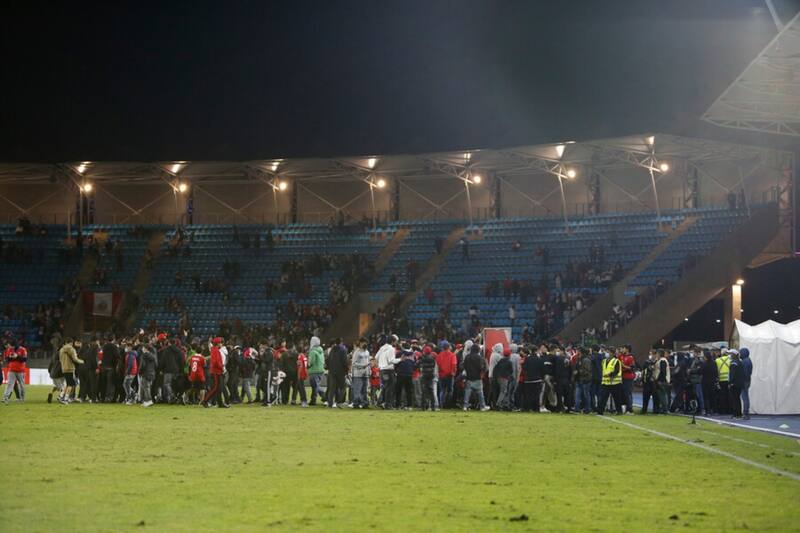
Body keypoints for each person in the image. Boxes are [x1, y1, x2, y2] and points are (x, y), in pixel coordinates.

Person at [462, 343, 490, 411]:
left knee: (467, 393)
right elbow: (481, 367)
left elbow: (464, 366)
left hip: (469, 377)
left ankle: (465, 406)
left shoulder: (467, 357)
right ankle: (482, 406)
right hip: (477, 377)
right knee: (480, 393)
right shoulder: (479, 358)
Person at [376, 335, 401, 409]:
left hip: (382, 370)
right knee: (389, 388)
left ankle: (381, 402)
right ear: (393, 341)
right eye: (396, 341)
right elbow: (391, 360)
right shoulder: (391, 349)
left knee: (384, 387)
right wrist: (400, 359)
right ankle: (388, 405)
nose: (396, 343)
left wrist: (381, 363)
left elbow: (376, 357)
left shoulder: (382, 347)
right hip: (389, 370)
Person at [203, 337, 228, 408]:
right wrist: (222, 367)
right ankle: (205, 401)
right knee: (215, 388)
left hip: (216, 371)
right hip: (216, 372)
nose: (221, 344)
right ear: (218, 343)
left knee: (218, 388)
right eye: (220, 343)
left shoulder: (214, 350)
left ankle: (220, 403)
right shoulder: (216, 350)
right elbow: (216, 362)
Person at [58, 338, 84, 405]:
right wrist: (82, 361)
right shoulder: (71, 349)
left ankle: (61, 396)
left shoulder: (61, 349)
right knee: (71, 384)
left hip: (64, 368)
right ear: (71, 343)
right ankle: (65, 399)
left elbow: (60, 360)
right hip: (70, 368)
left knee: (67, 383)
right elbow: (75, 359)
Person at [599, 350, 623, 415]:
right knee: (603, 397)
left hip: (615, 383)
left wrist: (609, 375)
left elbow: (617, 371)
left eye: (608, 352)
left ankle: (619, 411)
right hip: (606, 383)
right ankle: (600, 411)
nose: (607, 353)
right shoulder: (604, 361)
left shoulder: (616, 361)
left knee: (617, 398)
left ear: (612, 353)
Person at [326, 339, 349, 408]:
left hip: (332, 371)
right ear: (341, 342)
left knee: (332, 388)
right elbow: (344, 361)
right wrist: (346, 371)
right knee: (343, 386)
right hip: (340, 372)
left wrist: (329, 368)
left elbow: (328, 360)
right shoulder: (343, 350)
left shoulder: (332, 350)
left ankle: (330, 403)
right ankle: (339, 401)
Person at [436, 342, 457, 408]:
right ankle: (448, 404)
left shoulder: (439, 355)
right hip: (450, 375)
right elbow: (454, 365)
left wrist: (439, 372)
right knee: (450, 390)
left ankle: (441, 404)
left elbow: (437, 365)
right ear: (449, 347)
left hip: (442, 375)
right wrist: (453, 372)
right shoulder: (452, 355)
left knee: (442, 390)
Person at [350, 339, 370, 409]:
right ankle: (356, 404)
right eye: (364, 342)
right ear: (360, 343)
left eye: (366, 343)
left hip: (365, 374)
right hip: (358, 374)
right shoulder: (357, 352)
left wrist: (369, 371)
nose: (365, 344)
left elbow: (368, 362)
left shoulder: (367, 352)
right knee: (357, 390)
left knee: (364, 390)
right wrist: (362, 365)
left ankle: (365, 403)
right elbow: (353, 363)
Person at [307, 336, 325, 406]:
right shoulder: (321, 350)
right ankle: (313, 400)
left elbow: (311, 362)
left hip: (314, 370)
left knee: (315, 386)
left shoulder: (313, 351)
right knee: (316, 386)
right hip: (320, 370)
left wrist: (307, 366)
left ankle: (324, 395)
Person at [418, 345, 437, 410]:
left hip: (424, 375)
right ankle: (433, 407)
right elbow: (434, 366)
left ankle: (423, 407)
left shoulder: (422, 358)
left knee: (424, 391)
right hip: (431, 375)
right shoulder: (432, 359)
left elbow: (417, 365)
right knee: (431, 391)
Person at [574, 348, 593, 414]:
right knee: (578, 395)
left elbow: (587, 371)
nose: (576, 352)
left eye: (578, 351)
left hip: (585, 380)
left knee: (586, 395)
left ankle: (587, 409)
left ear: (581, 352)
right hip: (579, 380)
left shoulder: (586, 360)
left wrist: (578, 372)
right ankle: (577, 408)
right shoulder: (579, 359)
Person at [687, 348, 706, 415]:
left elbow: (699, 370)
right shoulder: (693, 360)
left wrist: (691, 371)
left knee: (699, 395)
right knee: (696, 395)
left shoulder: (700, 361)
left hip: (698, 380)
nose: (693, 354)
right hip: (694, 380)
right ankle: (698, 409)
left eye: (694, 352)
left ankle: (702, 409)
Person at [618, 345, 636, 414]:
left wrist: (624, 366)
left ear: (627, 349)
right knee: (623, 393)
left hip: (628, 378)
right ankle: (624, 408)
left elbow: (632, 368)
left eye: (624, 348)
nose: (622, 349)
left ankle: (630, 409)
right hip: (621, 377)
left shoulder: (630, 357)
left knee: (628, 393)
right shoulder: (621, 356)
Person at [653, 349, 670, 414]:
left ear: (659, 354)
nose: (656, 355)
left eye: (657, 353)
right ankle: (662, 409)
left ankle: (665, 410)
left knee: (662, 395)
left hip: (662, 381)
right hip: (661, 380)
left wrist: (660, 380)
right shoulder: (660, 360)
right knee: (661, 395)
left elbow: (663, 372)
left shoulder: (663, 361)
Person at [715, 349, 731, 415]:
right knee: (729, 396)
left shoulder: (717, 360)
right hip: (729, 380)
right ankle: (730, 410)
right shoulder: (730, 360)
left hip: (721, 380)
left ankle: (723, 410)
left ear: (721, 353)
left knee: (722, 396)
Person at [729, 351, 744, 419]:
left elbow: (732, 374)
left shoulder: (733, 363)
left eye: (731, 354)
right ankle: (739, 413)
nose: (730, 355)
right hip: (739, 383)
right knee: (737, 398)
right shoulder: (740, 362)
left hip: (734, 383)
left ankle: (735, 414)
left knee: (734, 399)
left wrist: (730, 382)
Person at [740, 347, 753, 420]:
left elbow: (744, 373)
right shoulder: (748, 360)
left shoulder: (744, 361)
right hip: (747, 380)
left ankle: (745, 412)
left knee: (745, 397)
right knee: (746, 396)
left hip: (744, 381)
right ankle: (746, 412)